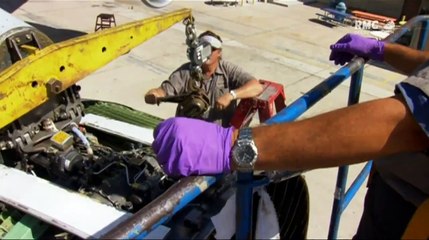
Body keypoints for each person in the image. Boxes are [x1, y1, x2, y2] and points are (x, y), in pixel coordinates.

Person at [152, 33, 429, 238]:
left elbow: (405, 121)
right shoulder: (190, 72)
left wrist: (234, 145)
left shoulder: (229, 72)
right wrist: (382, 50)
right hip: (398, 190)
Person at [144, 30, 264, 127]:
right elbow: (164, 90)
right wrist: (154, 95)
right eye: (204, 48)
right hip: (190, 134)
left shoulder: (228, 71)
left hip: (217, 137)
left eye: (212, 49)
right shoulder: (186, 72)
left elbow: (256, 87)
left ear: (219, 53)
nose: (208, 53)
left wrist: (231, 95)